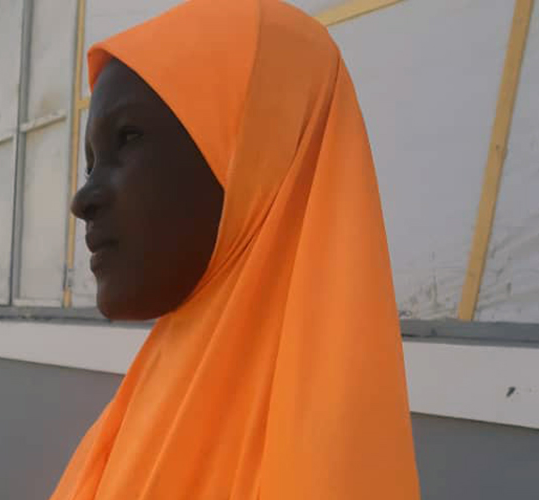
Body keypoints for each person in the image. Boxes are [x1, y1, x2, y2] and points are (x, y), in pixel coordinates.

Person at [54, 0, 420, 498]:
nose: (83, 199)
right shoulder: (154, 390)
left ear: (258, 157)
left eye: (129, 137)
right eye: (91, 163)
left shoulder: (328, 459)